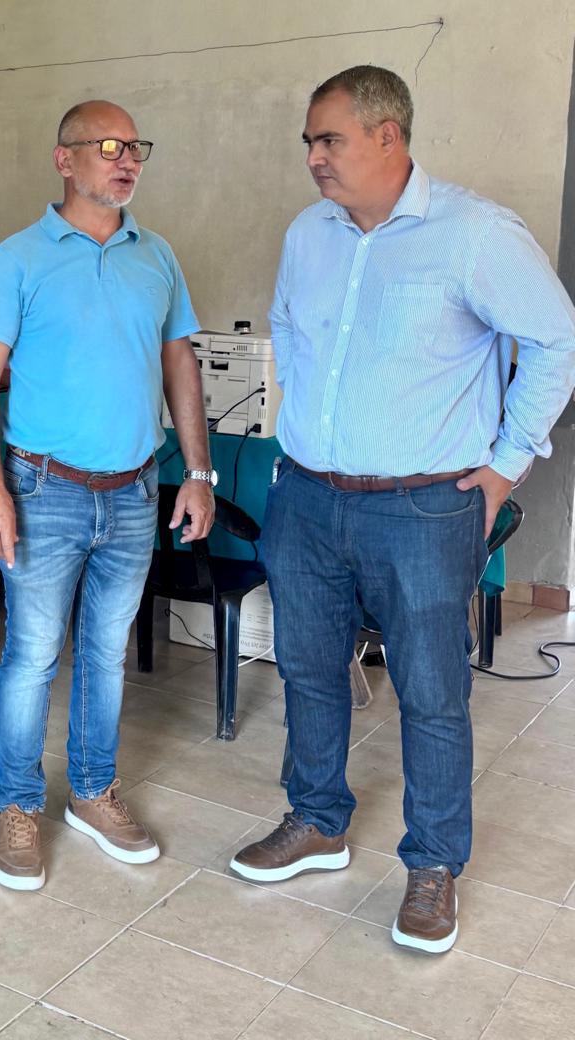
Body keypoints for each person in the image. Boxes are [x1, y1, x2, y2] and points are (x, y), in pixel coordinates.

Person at [231, 65, 575, 955]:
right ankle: (316, 820)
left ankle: (433, 863)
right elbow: (288, 330)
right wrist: (307, 433)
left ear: (388, 136)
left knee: (430, 692)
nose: (313, 156)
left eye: (329, 139)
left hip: (424, 509)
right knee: (309, 670)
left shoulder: (474, 233)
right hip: (307, 498)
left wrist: (506, 466)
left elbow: (555, 341)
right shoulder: (307, 234)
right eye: (309, 141)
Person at [0, 100, 216, 891]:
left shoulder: (156, 256)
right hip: (43, 490)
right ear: (64, 159)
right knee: (33, 655)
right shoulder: (20, 257)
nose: (127, 158)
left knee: (106, 653)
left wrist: (199, 472)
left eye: (136, 146)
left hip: (135, 491)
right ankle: (17, 805)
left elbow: (179, 364)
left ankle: (93, 792)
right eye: (108, 146)